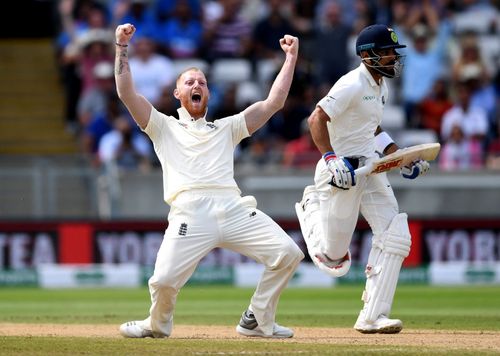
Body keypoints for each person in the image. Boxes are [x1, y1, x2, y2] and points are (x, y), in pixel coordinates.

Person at [114, 23, 303, 339]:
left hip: (233, 209)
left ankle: (255, 319)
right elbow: (126, 93)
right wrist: (121, 46)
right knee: (162, 281)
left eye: (201, 81)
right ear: (178, 94)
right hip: (190, 212)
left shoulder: (227, 127)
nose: (196, 84)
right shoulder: (162, 126)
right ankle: (157, 324)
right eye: (189, 82)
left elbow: (274, 103)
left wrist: (291, 57)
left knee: (288, 253)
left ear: (208, 93)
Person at [295, 24, 430, 334]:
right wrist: (330, 159)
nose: (394, 59)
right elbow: (316, 118)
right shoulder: (352, 83)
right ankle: (310, 206)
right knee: (334, 259)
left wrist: (403, 158)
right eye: (387, 53)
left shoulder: (380, 85)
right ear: (368, 55)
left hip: (370, 167)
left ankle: (372, 317)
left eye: (395, 53)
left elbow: (373, 131)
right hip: (342, 172)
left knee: (396, 234)